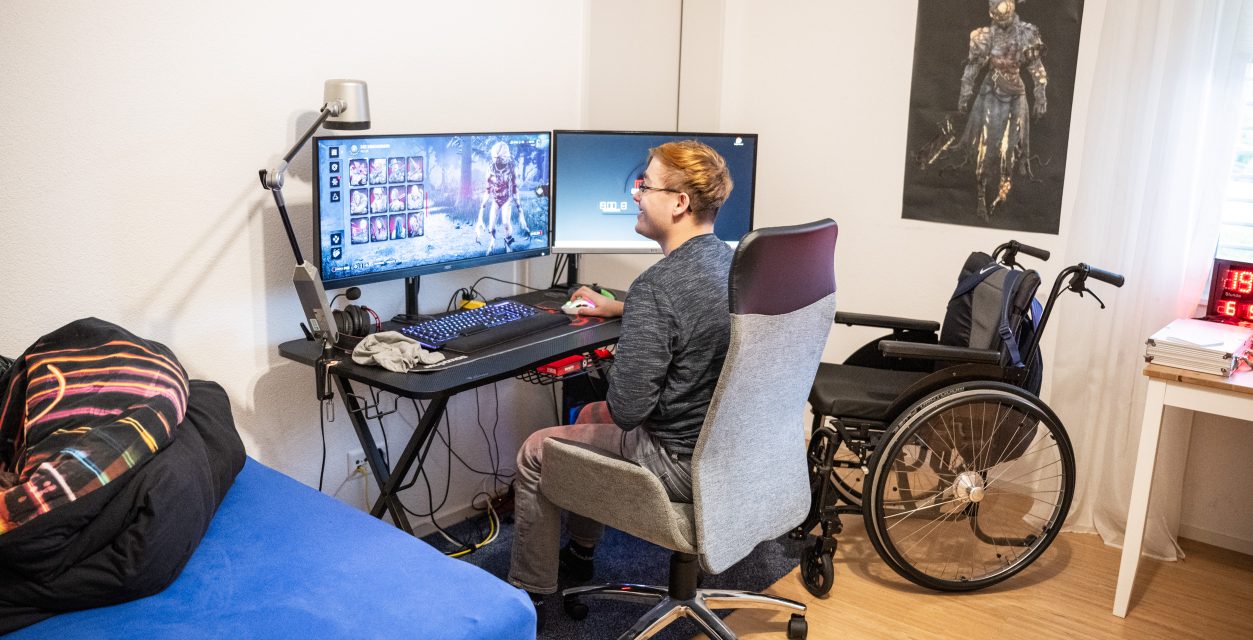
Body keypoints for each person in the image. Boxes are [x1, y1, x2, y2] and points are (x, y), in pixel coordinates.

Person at [506, 140, 735, 630]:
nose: (635, 194)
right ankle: (581, 555)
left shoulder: (659, 285)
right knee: (588, 418)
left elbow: (630, 410)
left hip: (675, 462)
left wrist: (632, 346)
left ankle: (533, 596)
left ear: (679, 203)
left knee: (533, 451)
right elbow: (691, 314)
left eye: (644, 184)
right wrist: (622, 308)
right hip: (726, 448)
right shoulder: (729, 263)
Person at [957, 0, 1048, 218]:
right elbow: (973, 66)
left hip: (1016, 94)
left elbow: (1036, 67)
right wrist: (964, 94)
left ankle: (1002, 194)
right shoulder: (984, 37)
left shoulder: (1026, 33)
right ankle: (980, 196)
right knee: (987, 145)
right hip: (992, 93)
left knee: (1010, 146)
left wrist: (1040, 94)